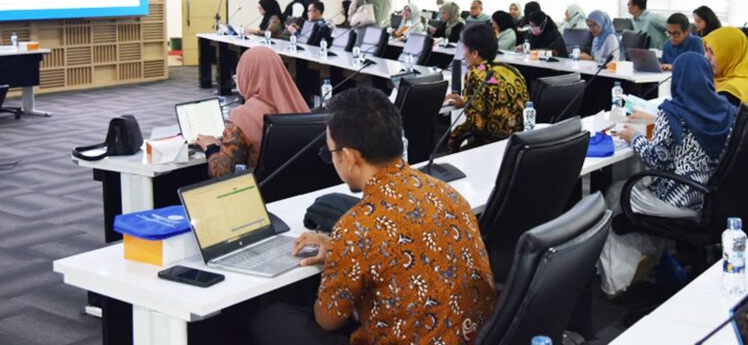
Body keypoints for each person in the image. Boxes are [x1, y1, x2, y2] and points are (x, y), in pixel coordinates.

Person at [250, 87, 496, 344]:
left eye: (330, 153)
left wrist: (342, 253)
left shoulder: (357, 228)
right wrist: (341, 249)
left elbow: (328, 319)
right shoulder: (448, 194)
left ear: (349, 157)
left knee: (272, 319)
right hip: (478, 337)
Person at [599, 52, 737, 296]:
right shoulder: (726, 111)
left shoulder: (673, 112)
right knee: (628, 196)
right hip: (709, 199)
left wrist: (633, 136)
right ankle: (650, 260)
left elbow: (656, 159)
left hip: (675, 200)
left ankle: (616, 281)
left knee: (614, 193)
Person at [194, 47, 309, 177]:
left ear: (248, 75)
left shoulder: (242, 115)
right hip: (297, 186)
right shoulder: (299, 107)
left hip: (257, 188)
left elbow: (224, 172)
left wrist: (211, 147)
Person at [445, 24, 529, 151]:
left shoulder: (476, 74)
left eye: (464, 48)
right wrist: (466, 103)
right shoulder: (511, 70)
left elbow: (476, 123)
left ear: (475, 53)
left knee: (452, 139)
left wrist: (453, 136)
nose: (463, 53)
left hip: (491, 143)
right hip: (517, 143)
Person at [703, 27, 748, 106]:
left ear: (730, 55)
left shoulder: (730, 93)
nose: (706, 57)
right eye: (706, 50)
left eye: (712, 52)